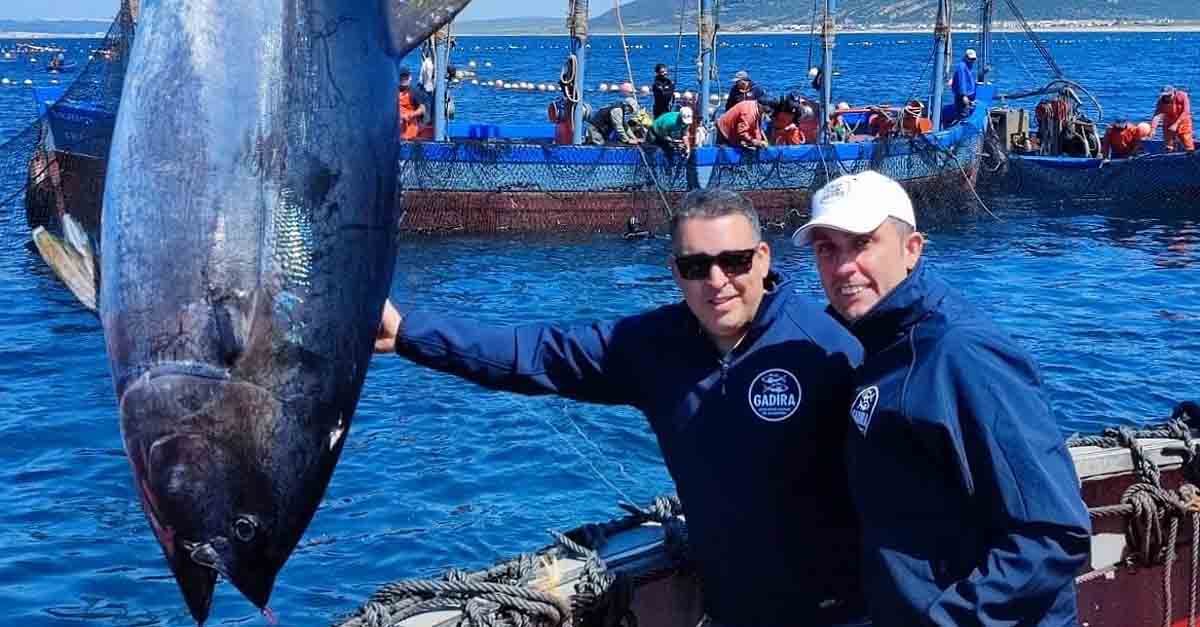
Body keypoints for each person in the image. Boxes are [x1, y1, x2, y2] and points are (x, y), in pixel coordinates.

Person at [376, 188, 870, 627]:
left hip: (838, 611)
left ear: (763, 258)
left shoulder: (828, 349)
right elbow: (537, 353)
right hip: (731, 608)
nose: (717, 280)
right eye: (697, 266)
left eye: (735, 261)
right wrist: (409, 334)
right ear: (676, 272)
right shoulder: (653, 346)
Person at [791, 171, 1092, 626]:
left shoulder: (963, 354)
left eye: (863, 243)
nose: (843, 267)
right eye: (826, 249)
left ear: (912, 249)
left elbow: (1054, 534)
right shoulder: (868, 345)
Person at [1150, 85, 1195, 152]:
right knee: (1168, 143)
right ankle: (1169, 153)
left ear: (1173, 92)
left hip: (1183, 121)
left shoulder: (1182, 96)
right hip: (1169, 121)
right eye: (1165, 96)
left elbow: (1186, 111)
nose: (1167, 98)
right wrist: (1153, 128)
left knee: (1186, 139)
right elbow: (1157, 115)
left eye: (1169, 96)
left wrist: (1176, 124)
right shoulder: (1161, 101)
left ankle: (1190, 153)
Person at [397, 67, 432, 141]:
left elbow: (422, 109)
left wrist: (410, 115)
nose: (404, 80)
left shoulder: (414, 92)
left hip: (409, 130)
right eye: (401, 78)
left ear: (410, 78)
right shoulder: (393, 91)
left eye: (405, 77)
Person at [950, 48, 978, 122]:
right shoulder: (961, 66)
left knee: (967, 114)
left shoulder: (968, 66)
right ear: (966, 57)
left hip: (969, 96)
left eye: (973, 59)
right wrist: (963, 96)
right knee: (963, 116)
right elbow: (961, 82)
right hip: (963, 97)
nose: (972, 61)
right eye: (970, 59)